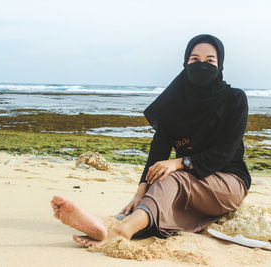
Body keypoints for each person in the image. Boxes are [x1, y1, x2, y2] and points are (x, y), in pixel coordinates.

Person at [51, 34, 251, 248]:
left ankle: (121, 231)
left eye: (210, 60)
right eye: (194, 59)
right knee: (162, 187)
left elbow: (225, 153)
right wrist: (141, 190)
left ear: (220, 65)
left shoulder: (234, 99)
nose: (202, 65)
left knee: (170, 178)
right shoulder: (173, 103)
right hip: (191, 183)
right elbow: (158, 152)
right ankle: (106, 223)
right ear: (185, 63)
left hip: (228, 182)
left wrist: (179, 162)